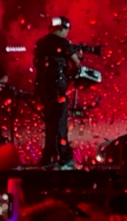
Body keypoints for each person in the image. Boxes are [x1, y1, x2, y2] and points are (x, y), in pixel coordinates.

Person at [33, 16, 81, 169]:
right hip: (58, 88)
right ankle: (64, 157)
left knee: (50, 123)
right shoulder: (63, 43)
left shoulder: (41, 43)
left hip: (43, 88)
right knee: (60, 123)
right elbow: (76, 63)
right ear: (63, 29)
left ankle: (48, 157)